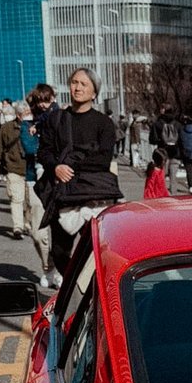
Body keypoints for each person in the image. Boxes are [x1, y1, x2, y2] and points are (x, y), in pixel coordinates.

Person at [48, 67, 120, 276]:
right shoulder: (57, 119)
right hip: (64, 193)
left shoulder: (103, 123)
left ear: (94, 92)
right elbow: (45, 151)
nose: (77, 87)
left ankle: (90, 292)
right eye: (74, 82)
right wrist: (56, 166)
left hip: (94, 195)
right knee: (59, 252)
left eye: (83, 84)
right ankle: (73, 285)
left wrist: (72, 165)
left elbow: (104, 158)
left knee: (95, 252)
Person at [28, 82, 62, 287]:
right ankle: (48, 267)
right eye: (39, 101)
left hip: (55, 176)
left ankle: (56, 270)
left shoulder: (59, 116)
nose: (42, 105)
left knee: (60, 230)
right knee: (38, 231)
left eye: (46, 101)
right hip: (37, 176)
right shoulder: (35, 119)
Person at [0, 102, 30, 240]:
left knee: (30, 201)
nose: (28, 116)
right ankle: (18, 227)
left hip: (31, 169)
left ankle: (27, 224)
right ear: (18, 115)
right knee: (16, 199)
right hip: (13, 168)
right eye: (25, 114)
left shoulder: (35, 126)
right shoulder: (7, 128)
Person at [150, 106, 181, 192]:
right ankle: (173, 195)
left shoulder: (158, 124)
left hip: (162, 154)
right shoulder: (178, 124)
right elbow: (182, 140)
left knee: (161, 176)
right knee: (173, 178)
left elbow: (152, 140)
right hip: (175, 153)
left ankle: (161, 193)